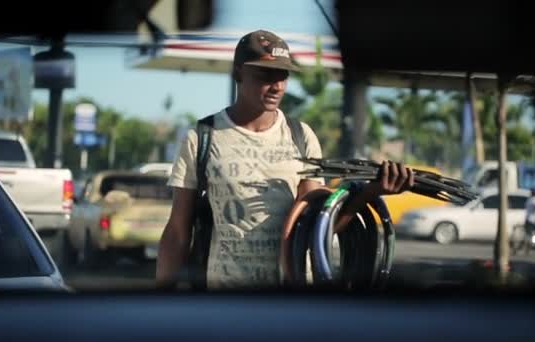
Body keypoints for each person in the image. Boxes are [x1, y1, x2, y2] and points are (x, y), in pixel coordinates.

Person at [155, 29, 414, 289]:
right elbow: (178, 231)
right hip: (227, 303)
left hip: (291, 301)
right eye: (265, 74)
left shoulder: (301, 136)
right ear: (238, 73)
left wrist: (370, 192)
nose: (277, 85)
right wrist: (162, 303)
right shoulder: (202, 137)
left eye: (283, 75)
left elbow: (319, 226)